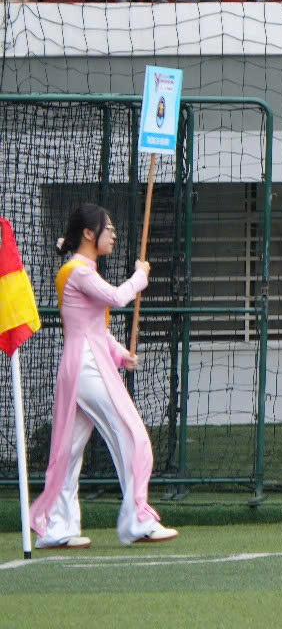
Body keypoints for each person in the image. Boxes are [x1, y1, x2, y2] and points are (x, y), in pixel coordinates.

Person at [27, 203, 175, 548]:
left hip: (82, 366)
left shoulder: (79, 270)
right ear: (89, 234)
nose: (114, 235)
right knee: (133, 435)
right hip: (87, 368)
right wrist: (140, 276)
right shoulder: (78, 270)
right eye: (108, 229)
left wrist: (121, 355)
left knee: (70, 450)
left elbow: (92, 328)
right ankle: (137, 520)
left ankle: (57, 529)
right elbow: (117, 297)